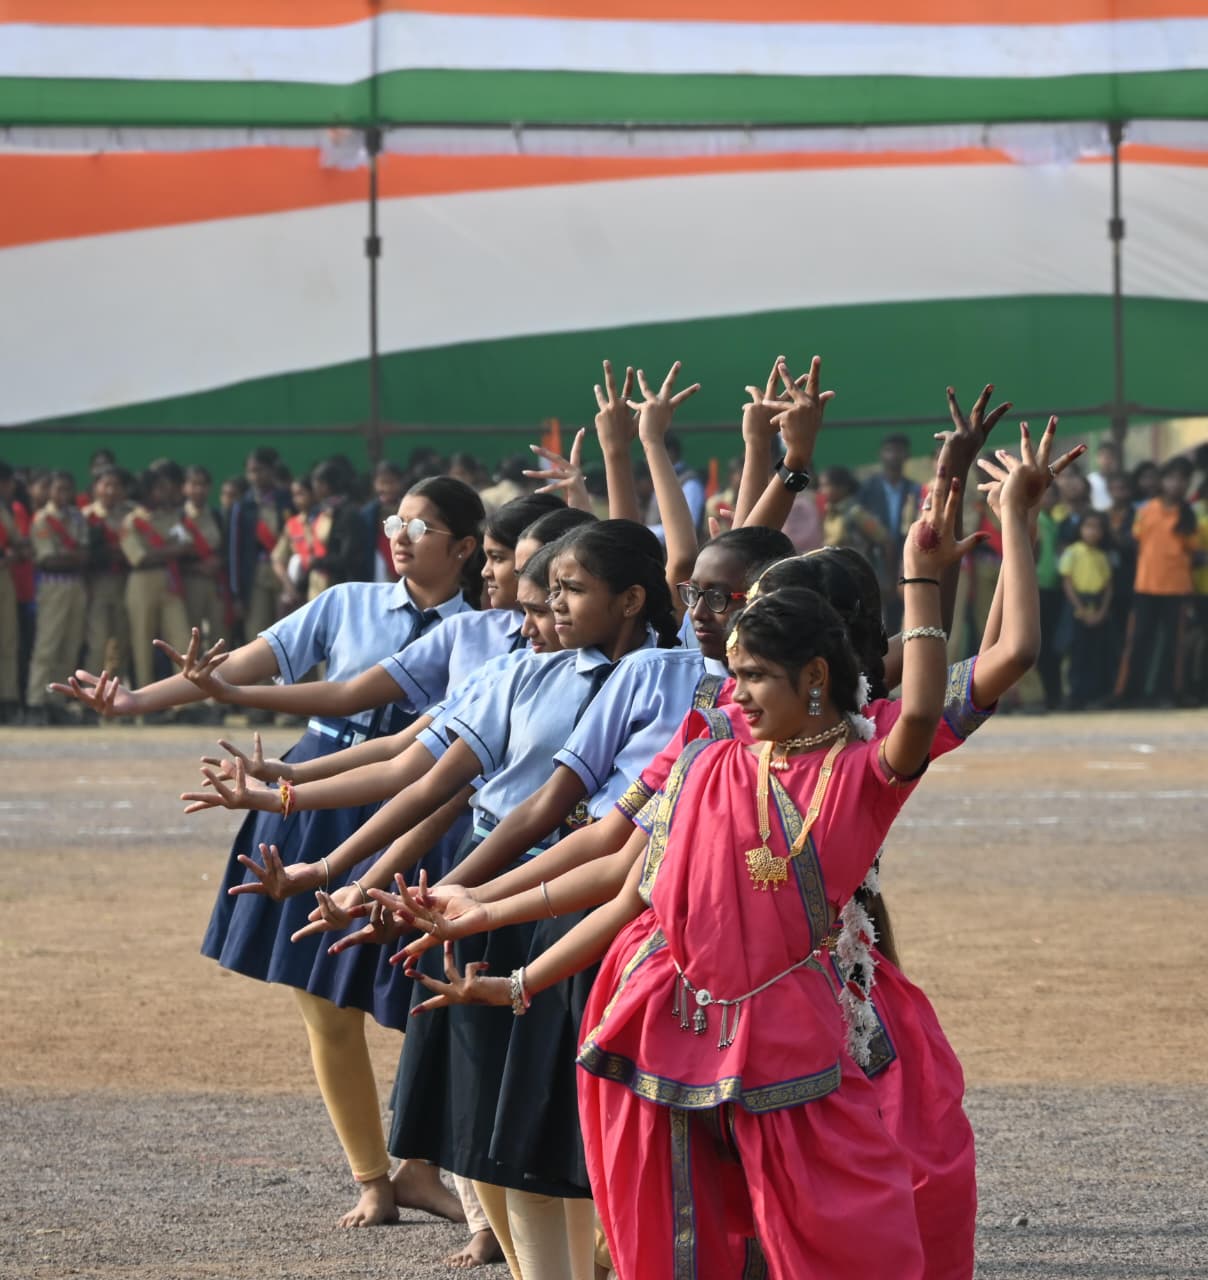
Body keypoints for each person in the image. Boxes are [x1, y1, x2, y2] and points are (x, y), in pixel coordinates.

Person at [407, 467, 977, 1279]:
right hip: (660, 1012)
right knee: (674, 1233)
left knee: (832, 1224)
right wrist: (495, 944)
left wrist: (926, 576)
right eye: (733, 674)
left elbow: (930, 700)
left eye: (751, 676)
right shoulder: (707, 759)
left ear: (814, 674)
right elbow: (629, 882)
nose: (731, 693)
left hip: (794, 1021)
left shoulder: (857, 769)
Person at [54, 476, 486, 1231]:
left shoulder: (486, 630)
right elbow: (245, 667)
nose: (401, 534)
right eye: (396, 521)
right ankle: (373, 1177)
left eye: (421, 525)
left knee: (428, 995)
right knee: (323, 1003)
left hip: (416, 808)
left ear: (467, 547)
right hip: (312, 799)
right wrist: (132, 703)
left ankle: (422, 1166)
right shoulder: (347, 601)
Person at [1115, 457, 1199, 706]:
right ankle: (1129, 693)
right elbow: (1133, 540)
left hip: (1177, 587)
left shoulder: (1188, 514)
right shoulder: (1145, 510)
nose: (1177, 484)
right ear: (1163, 481)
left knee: (1174, 644)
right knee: (1138, 640)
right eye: (1172, 478)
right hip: (1146, 585)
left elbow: (1192, 551)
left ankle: (1169, 693)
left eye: (1183, 479)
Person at [120, 461, 192, 696]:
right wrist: (172, 550)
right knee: (142, 643)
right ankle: (143, 701)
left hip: (169, 581)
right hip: (142, 582)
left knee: (181, 638)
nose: (166, 492)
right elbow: (139, 558)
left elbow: (187, 545)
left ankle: (187, 699)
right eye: (160, 488)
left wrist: (164, 552)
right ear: (148, 490)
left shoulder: (170, 516)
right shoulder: (132, 521)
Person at [24, 470, 90, 725]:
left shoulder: (77, 517)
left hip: (75, 585)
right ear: (49, 491)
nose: (63, 494)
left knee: (70, 644)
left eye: (67, 489)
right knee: (47, 644)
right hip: (53, 585)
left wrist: (69, 558)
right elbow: (48, 560)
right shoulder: (42, 519)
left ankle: (58, 700)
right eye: (58, 489)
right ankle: (36, 700)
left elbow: (85, 554)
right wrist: (72, 558)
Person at [858, 432, 921, 630]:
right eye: (889, 450)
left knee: (903, 611)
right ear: (881, 454)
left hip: (904, 558)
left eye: (899, 450)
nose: (894, 455)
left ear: (906, 455)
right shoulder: (867, 488)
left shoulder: (914, 489)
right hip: (875, 558)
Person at [228, 446, 292, 640]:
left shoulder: (287, 500)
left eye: (259, 470)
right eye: (250, 472)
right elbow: (234, 553)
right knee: (258, 631)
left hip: (286, 573)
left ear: (272, 470)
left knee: (289, 630)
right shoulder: (242, 506)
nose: (254, 477)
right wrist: (236, 594)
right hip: (256, 575)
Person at [1058, 510, 1114, 708]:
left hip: (1096, 604)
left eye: (1097, 528)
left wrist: (1102, 611)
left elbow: (1108, 586)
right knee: (1074, 651)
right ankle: (1072, 695)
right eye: (1088, 527)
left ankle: (1090, 695)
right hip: (1077, 605)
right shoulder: (1073, 551)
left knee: (1094, 652)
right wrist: (1080, 608)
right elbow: (1067, 582)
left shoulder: (1102, 556)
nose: (1092, 532)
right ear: (1080, 529)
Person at [82, 466, 133, 684]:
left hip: (125, 583)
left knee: (121, 642)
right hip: (97, 583)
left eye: (116, 486)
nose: (111, 490)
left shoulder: (131, 515)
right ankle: (89, 695)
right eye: (106, 485)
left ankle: (116, 694)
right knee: (97, 642)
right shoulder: (85, 516)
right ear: (96, 488)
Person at [307, 460, 370, 597]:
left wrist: (319, 562)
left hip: (340, 586)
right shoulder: (320, 511)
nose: (314, 487)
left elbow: (348, 557)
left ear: (325, 485)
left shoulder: (348, 514)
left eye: (316, 483)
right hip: (319, 582)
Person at [181, 465, 226, 649]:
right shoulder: (179, 517)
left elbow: (225, 547)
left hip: (216, 582)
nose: (198, 489)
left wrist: (219, 562)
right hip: (190, 582)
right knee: (192, 635)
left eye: (203, 485)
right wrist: (196, 567)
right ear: (184, 487)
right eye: (194, 484)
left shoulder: (217, 515)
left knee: (219, 633)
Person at [361, 461, 406, 583]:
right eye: (382, 483)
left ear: (401, 483)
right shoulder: (367, 514)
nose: (387, 488)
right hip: (377, 566)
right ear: (375, 484)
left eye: (392, 482)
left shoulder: (408, 509)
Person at [1087, 437, 1121, 511]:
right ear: (1097, 458)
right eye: (1103, 456)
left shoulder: (1120, 480)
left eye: (1110, 456)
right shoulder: (1091, 479)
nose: (1107, 460)